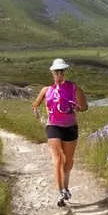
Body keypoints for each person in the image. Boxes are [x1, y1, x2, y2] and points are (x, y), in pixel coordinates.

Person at [32, 58, 88, 207]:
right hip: (53, 126)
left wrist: (77, 108)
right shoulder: (46, 90)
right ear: (52, 72)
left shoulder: (74, 88)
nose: (59, 74)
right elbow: (35, 104)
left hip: (70, 127)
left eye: (61, 71)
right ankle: (61, 190)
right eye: (57, 71)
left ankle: (66, 186)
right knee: (57, 158)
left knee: (67, 162)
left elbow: (84, 106)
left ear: (64, 72)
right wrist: (37, 111)